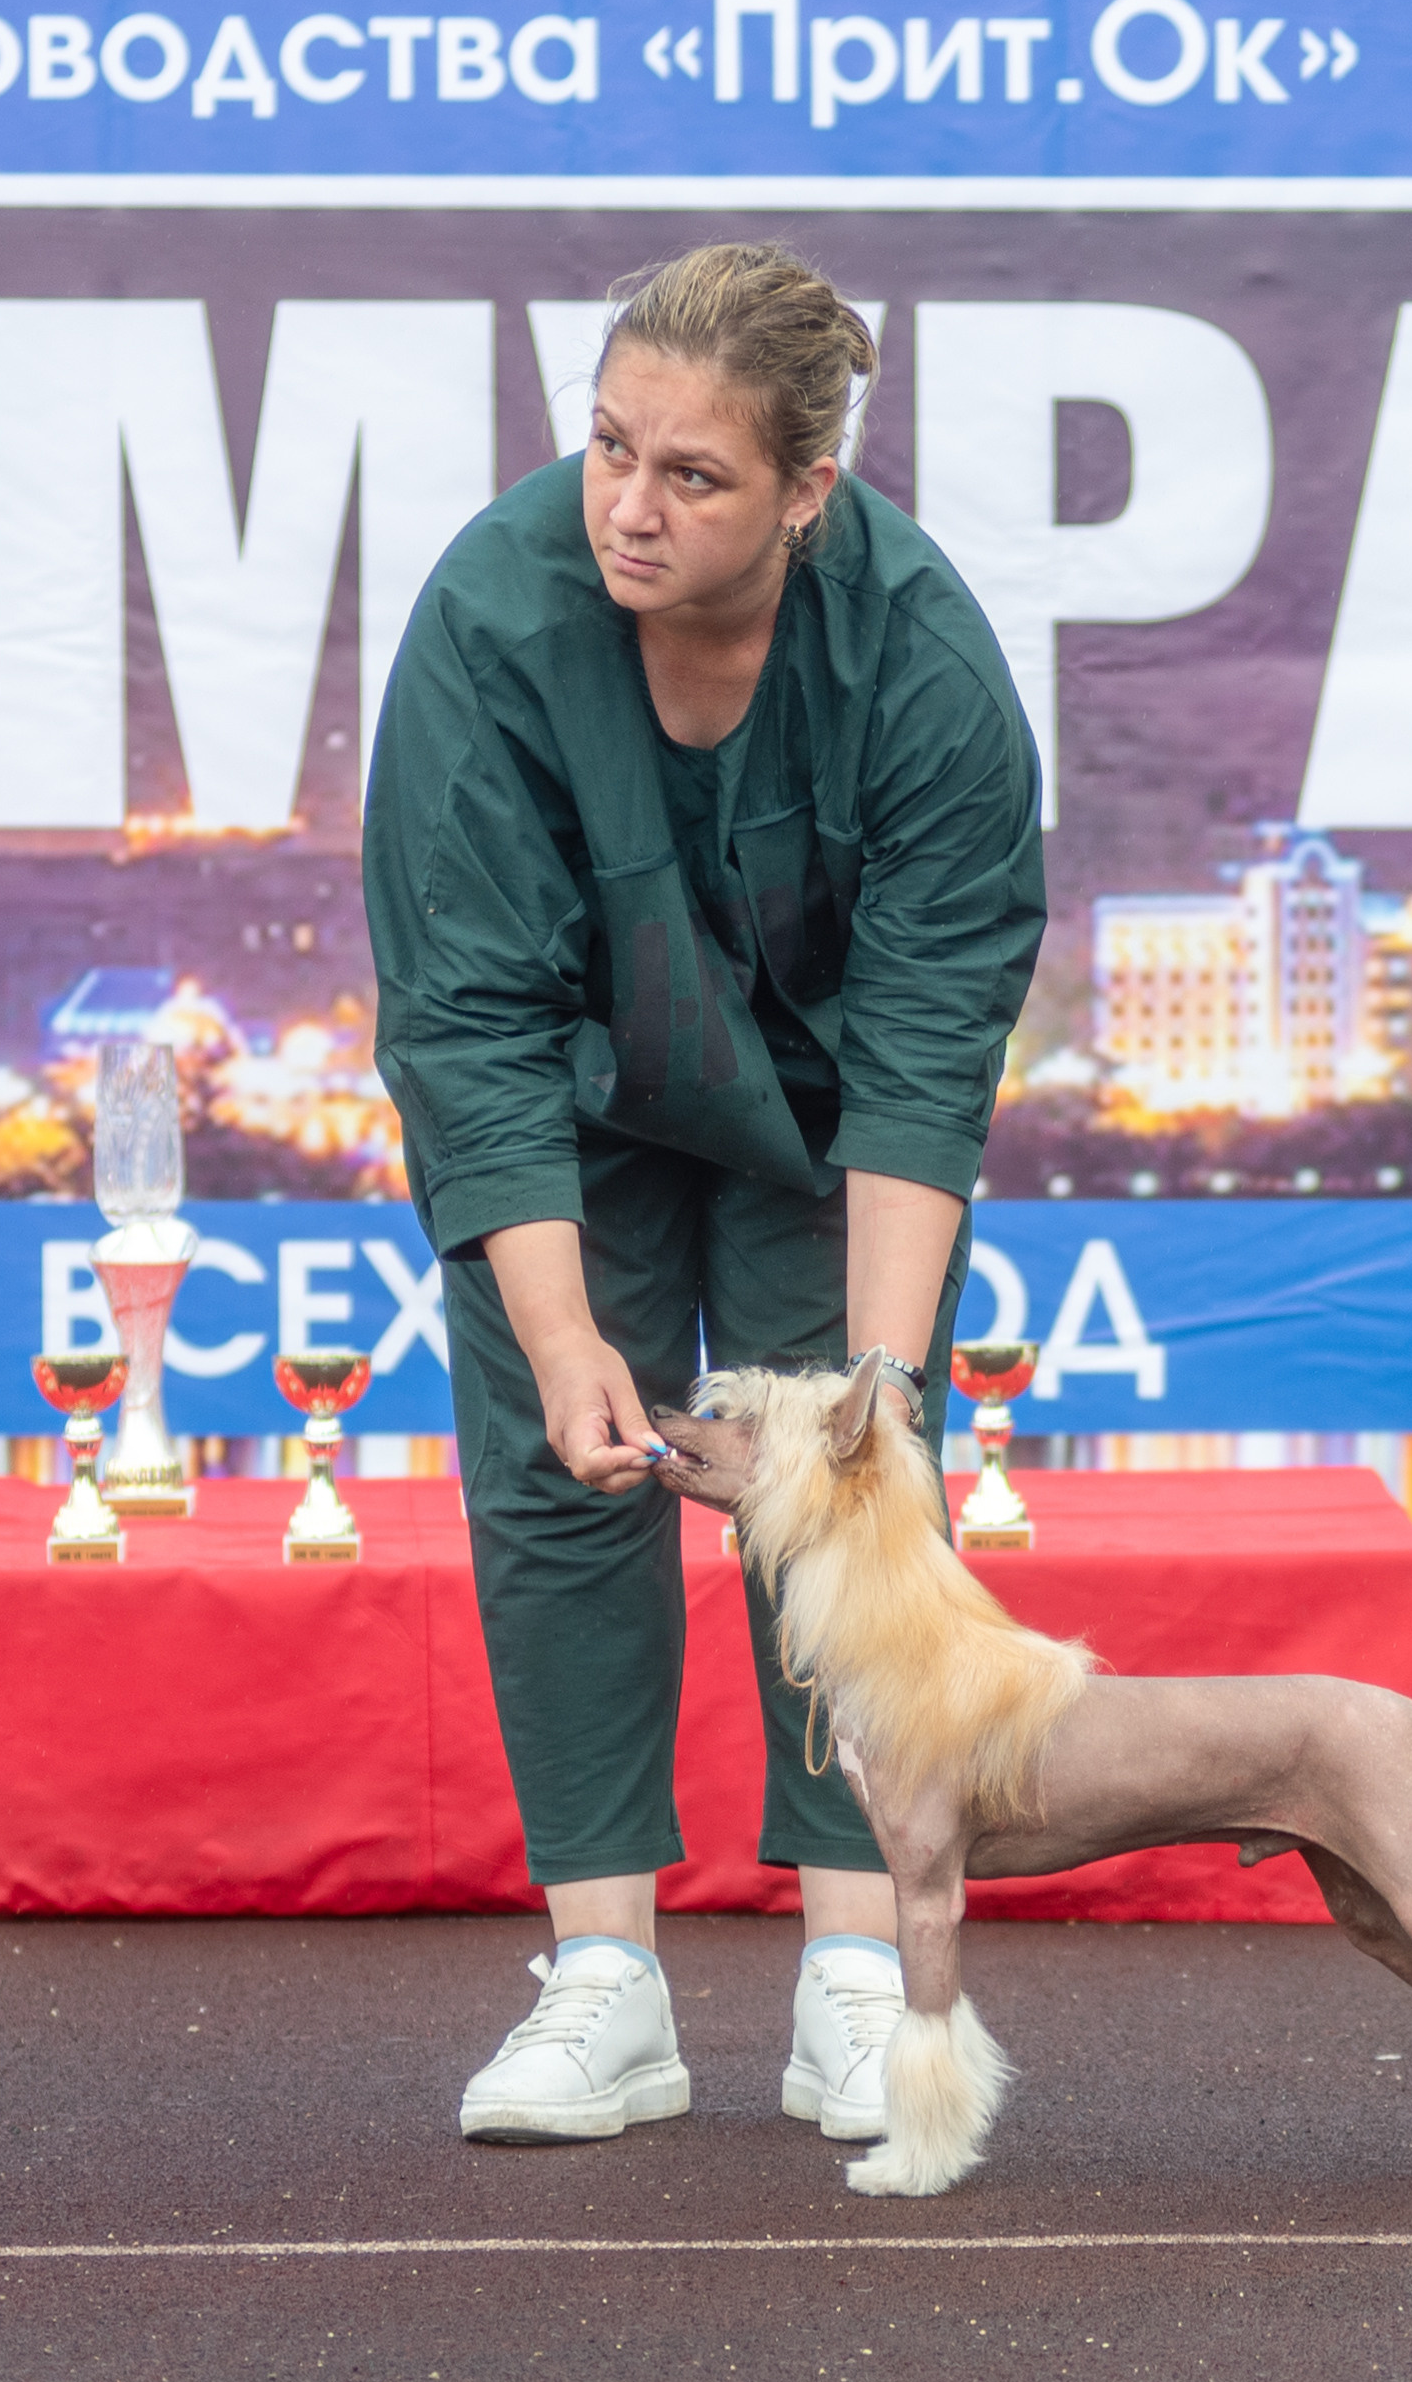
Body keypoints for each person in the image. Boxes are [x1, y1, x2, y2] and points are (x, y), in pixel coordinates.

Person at [362, 242, 1045, 2145]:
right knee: (555, 1461)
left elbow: (928, 1050)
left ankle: (850, 1975)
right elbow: (465, 1010)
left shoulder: (919, 651)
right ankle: (604, 1984)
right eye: (607, 449)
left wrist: (882, 1394)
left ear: (807, 491)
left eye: (693, 474)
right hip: (567, 1113)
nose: (628, 508)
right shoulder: (494, 615)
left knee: (843, 1481)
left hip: (829, 1129)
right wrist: (565, 1330)